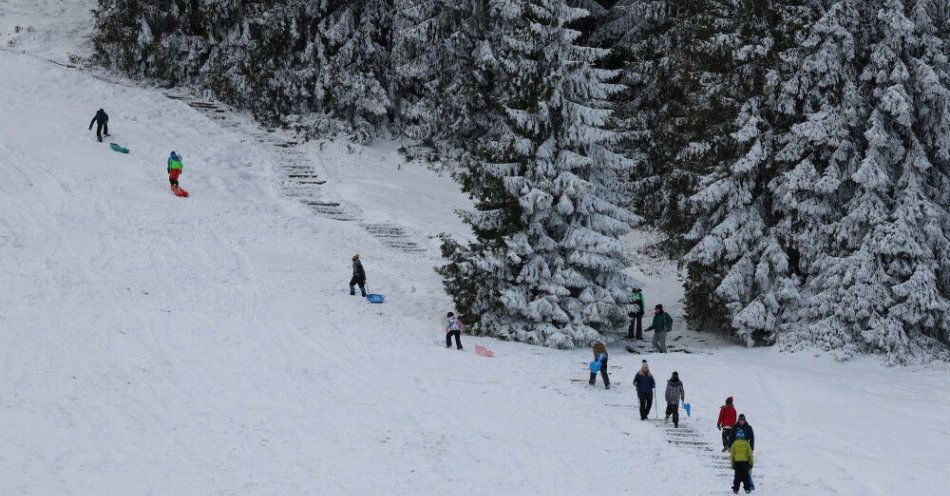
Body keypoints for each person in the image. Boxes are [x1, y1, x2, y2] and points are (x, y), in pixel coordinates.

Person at [730, 429, 754, 494]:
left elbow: (731, 455)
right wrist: (751, 463)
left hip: (737, 463)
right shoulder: (746, 443)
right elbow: (750, 454)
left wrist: (732, 464)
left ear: (737, 436)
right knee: (745, 476)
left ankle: (736, 488)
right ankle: (747, 488)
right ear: (743, 436)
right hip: (745, 462)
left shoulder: (734, 444)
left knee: (737, 476)